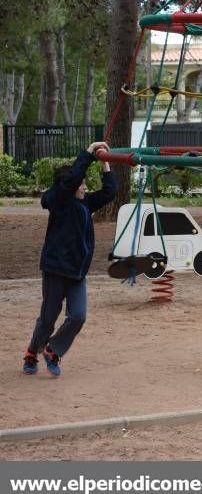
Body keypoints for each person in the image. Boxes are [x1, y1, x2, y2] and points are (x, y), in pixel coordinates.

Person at [22, 142, 117, 376]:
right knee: (48, 318)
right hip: (55, 269)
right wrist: (89, 151)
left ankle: (53, 350)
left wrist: (105, 161)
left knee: (78, 316)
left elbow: (109, 192)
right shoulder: (59, 200)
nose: (84, 186)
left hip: (77, 272)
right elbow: (73, 178)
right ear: (70, 185)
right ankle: (32, 352)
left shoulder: (84, 203)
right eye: (81, 183)